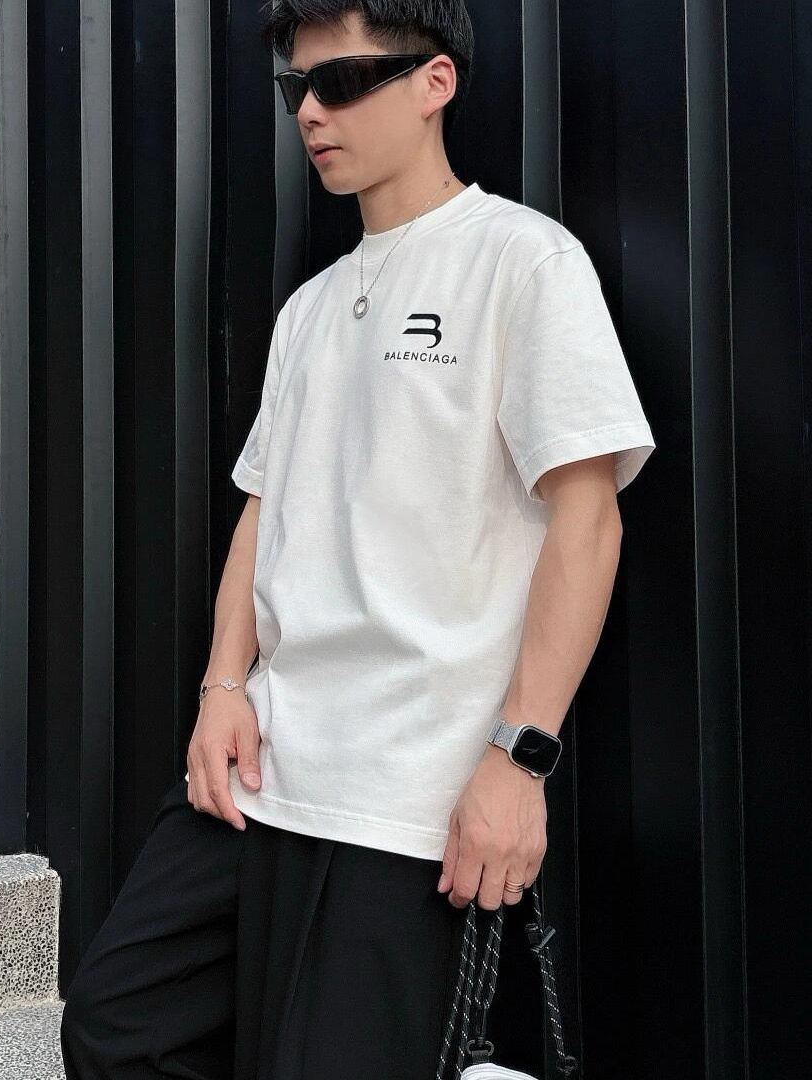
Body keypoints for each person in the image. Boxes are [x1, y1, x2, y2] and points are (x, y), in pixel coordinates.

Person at [61, 2, 656, 1078]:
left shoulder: (524, 262)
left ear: (436, 81)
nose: (310, 113)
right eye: (297, 89)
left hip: (407, 800)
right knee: (114, 1024)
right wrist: (222, 687)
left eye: (339, 82)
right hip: (264, 770)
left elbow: (588, 517)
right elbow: (265, 508)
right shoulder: (309, 308)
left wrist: (519, 758)